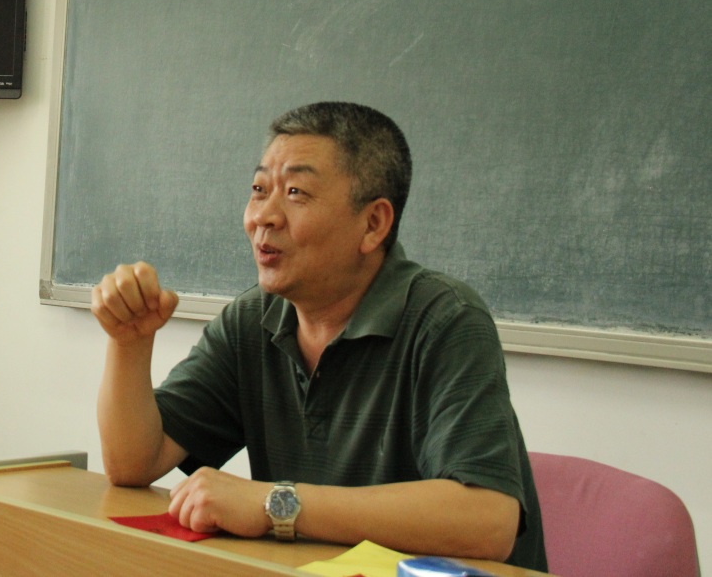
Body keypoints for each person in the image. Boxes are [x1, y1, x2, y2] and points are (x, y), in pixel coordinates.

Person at [90, 102, 546, 570]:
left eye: (295, 193)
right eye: (259, 189)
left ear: (373, 224)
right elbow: (133, 463)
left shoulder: (446, 320)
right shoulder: (254, 320)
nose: (264, 217)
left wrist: (275, 504)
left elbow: (488, 521)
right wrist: (129, 342)